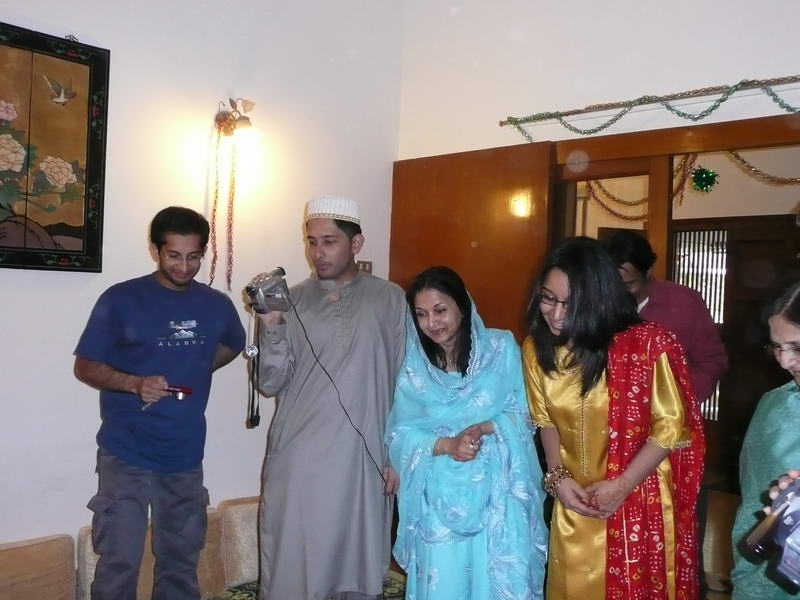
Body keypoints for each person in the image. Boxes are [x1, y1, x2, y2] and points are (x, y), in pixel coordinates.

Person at [74, 206, 246, 600]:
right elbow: (85, 366)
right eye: (174, 255)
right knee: (119, 561)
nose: (184, 266)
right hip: (126, 453)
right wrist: (134, 384)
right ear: (155, 250)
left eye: (193, 256)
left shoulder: (216, 305)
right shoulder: (121, 299)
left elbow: (233, 344)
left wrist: (198, 367)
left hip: (185, 455)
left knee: (181, 562)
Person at [523, 236, 706, 599]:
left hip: (637, 496)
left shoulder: (646, 344)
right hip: (573, 498)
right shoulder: (536, 348)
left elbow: (671, 426)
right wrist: (557, 478)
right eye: (548, 298)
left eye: (570, 304)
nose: (556, 315)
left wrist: (621, 485)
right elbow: (544, 420)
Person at [256, 195, 406, 600]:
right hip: (301, 457)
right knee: (295, 560)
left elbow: (405, 381)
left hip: (364, 458)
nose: (317, 253)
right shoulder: (292, 301)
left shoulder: (390, 298)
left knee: (357, 561)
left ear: (356, 243)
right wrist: (271, 324)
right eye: (311, 242)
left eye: (329, 241)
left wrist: (396, 453)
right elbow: (270, 382)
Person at [385, 266, 547, 599]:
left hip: (497, 498)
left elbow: (527, 414)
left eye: (440, 310)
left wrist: (484, 428)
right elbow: (400, 434)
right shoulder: (414, 368)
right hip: (438, 500)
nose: (432, 322)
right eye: (421, 314)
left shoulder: (501, 349)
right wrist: (447, 445)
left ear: (462, 306)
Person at [731, 280, 800, 599]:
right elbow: (751, 511)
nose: (784, 362)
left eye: (797, 347)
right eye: (777, 347)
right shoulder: (776, 406)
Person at [606, 229, 728, 404]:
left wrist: (680, 400)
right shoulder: (598, 303)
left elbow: (711, 361)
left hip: (670, 411)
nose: (618, 292)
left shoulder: (684, 302)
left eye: (628, 285)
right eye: (611, 284)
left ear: (648, 271)